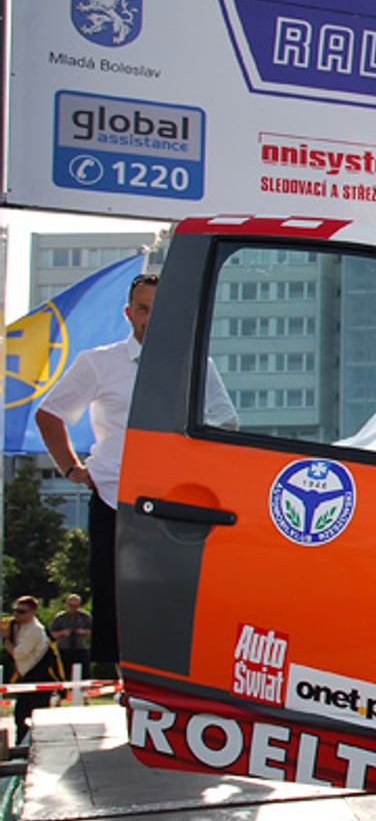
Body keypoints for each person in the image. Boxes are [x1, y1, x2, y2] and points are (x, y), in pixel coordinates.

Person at [36, 273, 235, 681]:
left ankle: (174, 688)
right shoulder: (100, 362)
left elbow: (225, 422)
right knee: (119, 602)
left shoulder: (196, 364)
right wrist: (72, 469)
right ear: (129, 314)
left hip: (175, 502)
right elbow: (49, 412)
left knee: (174, 601)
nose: (150, 317)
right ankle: (132, 688)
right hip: (114, 498)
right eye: (143, 309)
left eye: (159, 308)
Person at [4, 597, 61, 746]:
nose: (17, 615)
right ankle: (20, 747)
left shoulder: (34, 629)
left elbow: (19, 653)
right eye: (15, 611)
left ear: (32, 612)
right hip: (25, 677)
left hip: (39, 677)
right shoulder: (16, 625)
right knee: (20, 717)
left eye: (22, 612)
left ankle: (37, 747)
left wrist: (5, 641)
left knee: (37, 717)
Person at [49, 594, 92, 689]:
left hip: (80, 648)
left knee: (85, 673)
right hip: (64, 648)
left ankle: (85, 695)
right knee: (63, 673)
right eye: (71, 606)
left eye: (76, 606)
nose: (73, 608)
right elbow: (51, 634)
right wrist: (62, 633)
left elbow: (93, 631)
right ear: (67, 604)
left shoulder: (85, 616)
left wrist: (83, 632)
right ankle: (63, 693)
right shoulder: (60, 617)